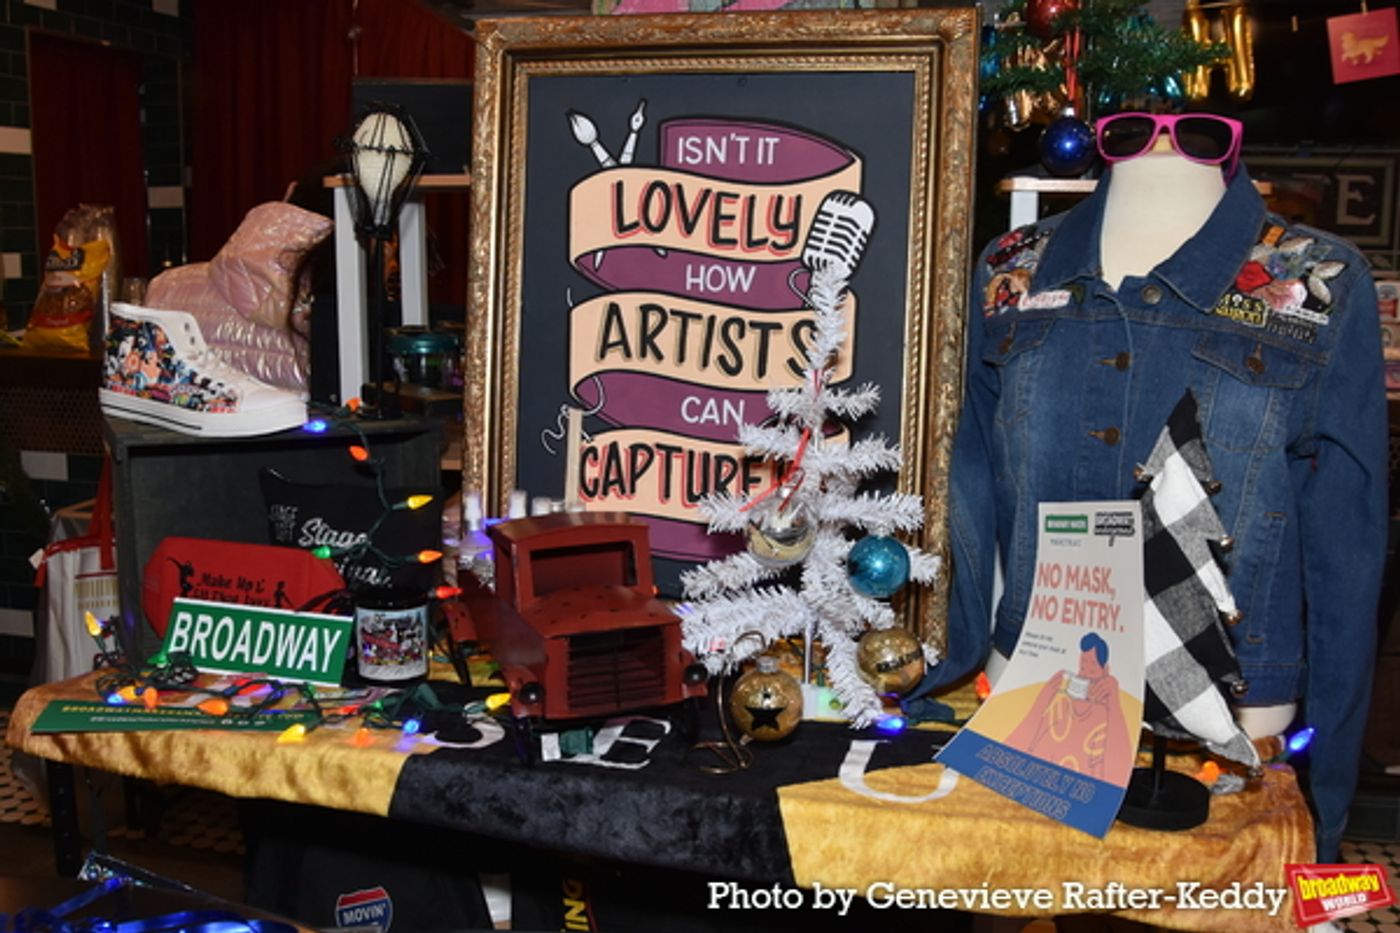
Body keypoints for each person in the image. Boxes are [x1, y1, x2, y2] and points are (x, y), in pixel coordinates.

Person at [913, 112, 1389, 861]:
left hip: (1231, 711)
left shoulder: (1316, 280)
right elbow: (966, 478)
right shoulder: (1015, 264)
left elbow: (1347, 542)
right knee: (1020, 888)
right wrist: (959, 653)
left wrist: (1328, 795)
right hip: (1040, 682)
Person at [1006, 633, 1134, 785]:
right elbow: (1014, 746)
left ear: (1105, 670)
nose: (1085, 672)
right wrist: (1043, 698)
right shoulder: (1059, 704)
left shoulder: (1105, 716)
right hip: (1037, 777)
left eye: (1092, 668)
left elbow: (1117, 772)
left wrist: (1114, 705)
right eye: (1083, 665)